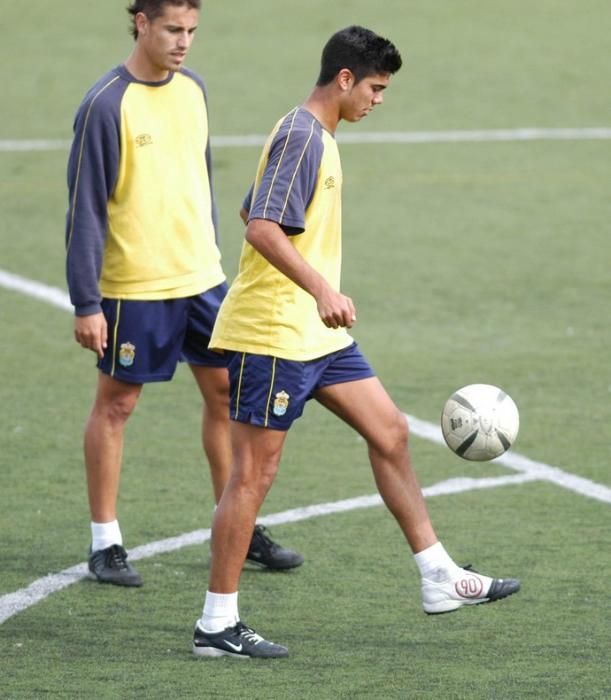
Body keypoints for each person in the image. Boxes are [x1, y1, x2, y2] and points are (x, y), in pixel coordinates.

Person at [191, 25, 520, 659]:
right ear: (344, 78)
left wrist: (313, 294)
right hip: (274, 335)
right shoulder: (302, 135)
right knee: (253, 477)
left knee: (391, 431)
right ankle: (215, 624)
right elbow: (261, 226)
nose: (378, 99)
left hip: (316, 336)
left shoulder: (318, 137)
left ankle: (438, 577)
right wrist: (319, 286)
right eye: (375, 87)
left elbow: (250, 210)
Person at [65, 0, 303, 588]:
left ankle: (238, 528)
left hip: (202, 279)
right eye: (173, 29)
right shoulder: (104, 105)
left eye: (192, 30)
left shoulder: (193, 89)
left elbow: (200, 184)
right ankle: (105, 542)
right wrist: (86, 302)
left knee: (225, 392)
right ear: (141, 23)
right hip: (134, 287)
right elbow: (86, 210)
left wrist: (218, 260)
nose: (184, 42)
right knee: (117, 405)